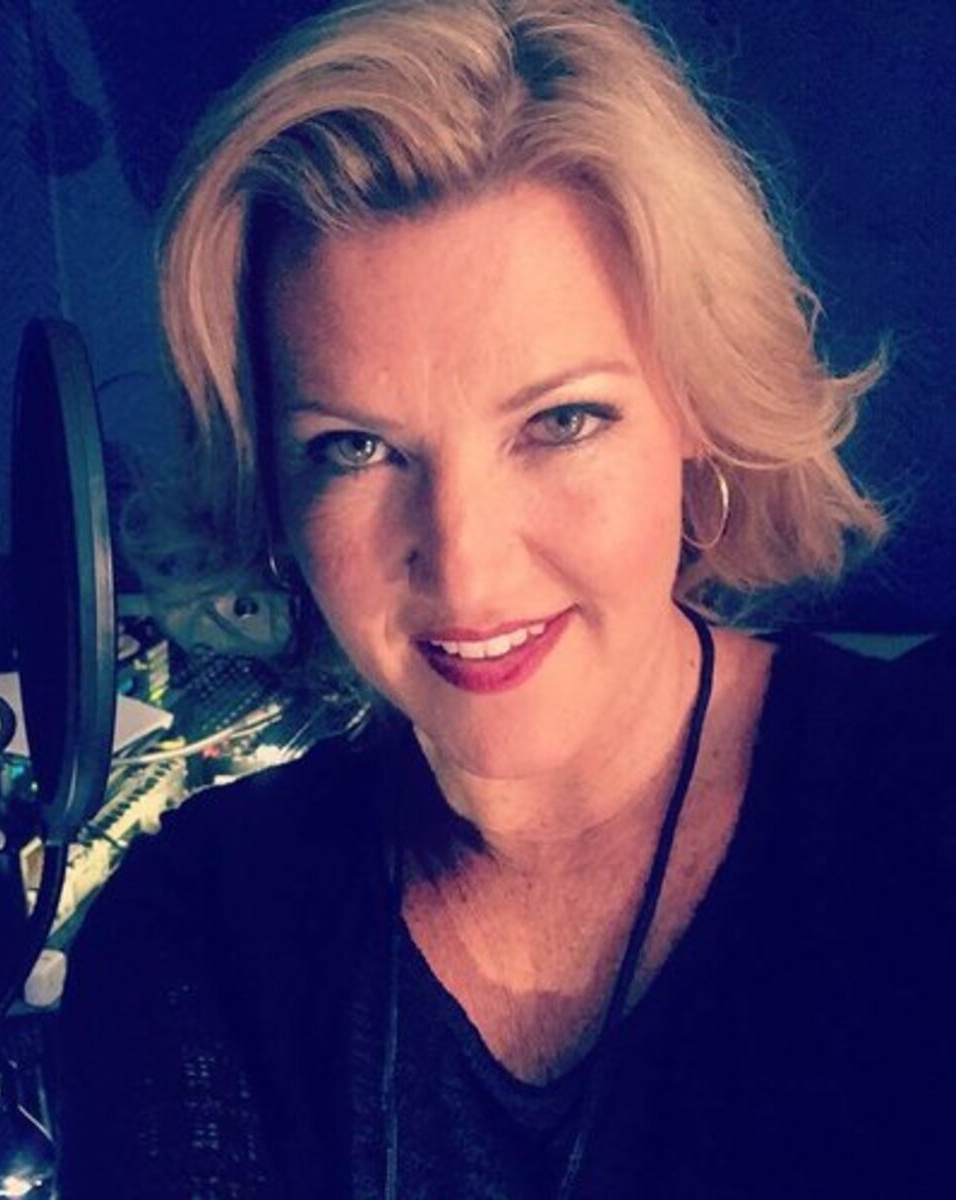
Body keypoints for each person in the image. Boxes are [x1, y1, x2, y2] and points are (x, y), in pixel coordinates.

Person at [58, 1, 954, 1196]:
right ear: (269, 481)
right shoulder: (200, 937)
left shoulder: (916, 806)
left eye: (561, 421)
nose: (467, 568)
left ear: (696, 405)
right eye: (356, 448)